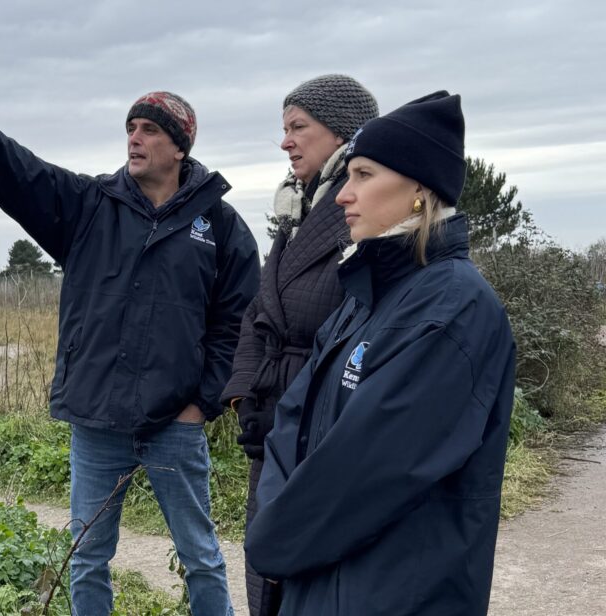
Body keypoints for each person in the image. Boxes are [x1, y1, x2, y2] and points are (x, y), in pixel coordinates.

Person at [0, 87, 259, 616]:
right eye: (130, 130)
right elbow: (19, 173)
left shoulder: (221, 226)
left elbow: (238, 323)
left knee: (201, 557)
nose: (134, 140)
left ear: (180, 145)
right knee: (86, 555)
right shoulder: (89, 205)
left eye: (150, 131)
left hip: (174, 424)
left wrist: (201, 404)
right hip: (96, 418)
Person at [244, 91, 516, 615]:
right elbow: (291, 422)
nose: (344, 195)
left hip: (393, 593)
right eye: (348, 177)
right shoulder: (368, 296)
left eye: (363, 175)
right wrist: (274, 521)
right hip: (319, 578)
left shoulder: (453, 311)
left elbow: (365, 475)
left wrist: (271, 540)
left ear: (419, 187)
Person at [220, 74, 378, 616]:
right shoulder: (296, 209)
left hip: (323, 416)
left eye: (297, 127)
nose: (285, 141)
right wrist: (244, 393)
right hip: (272, 414)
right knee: (263, 553)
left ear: (341, 133)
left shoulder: (363, 212)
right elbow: (259, 311)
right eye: (283, 128)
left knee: (308, 566)